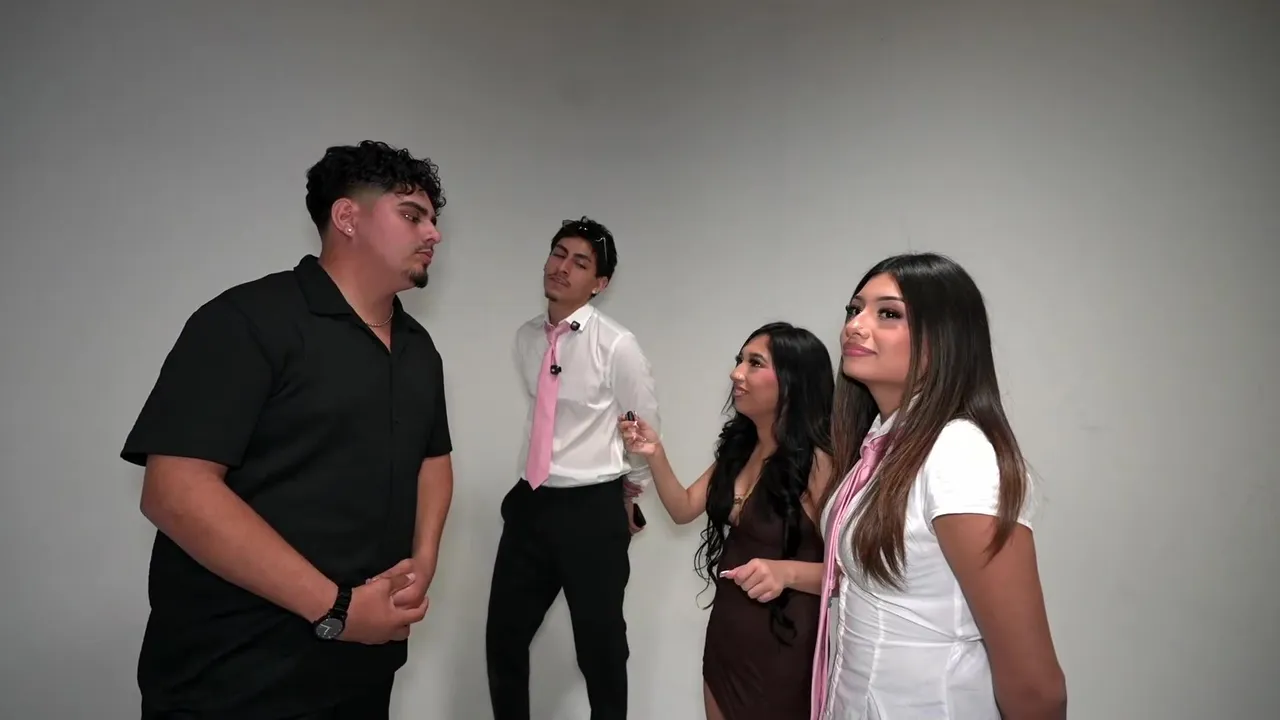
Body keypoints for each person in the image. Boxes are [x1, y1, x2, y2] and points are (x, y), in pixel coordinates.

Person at [120, 140, 454, 720]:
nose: (434, 234)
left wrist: (423, 560)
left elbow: (433, 460)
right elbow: (175, 490)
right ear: (346, 217)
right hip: (233, 676)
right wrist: (337, 608)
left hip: (361, 671)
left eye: (433, 220)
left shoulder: (419, 349)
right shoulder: (248, 320)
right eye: (412, 215)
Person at [811, 252, 1067, 719]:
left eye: (889, 314)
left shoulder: (959, 454)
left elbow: (1034, 684)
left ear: (943, 339)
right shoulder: (880, 449)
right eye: (854, 309)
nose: (855, 326)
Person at [485, 216, 658, 720]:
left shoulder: (617, 345)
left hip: (592, 509)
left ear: (599, 283)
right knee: (503, 639)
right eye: (558, 253)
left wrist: (630, 494)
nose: (562, 267)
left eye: (580, 262)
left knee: (600, 651)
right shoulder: (527, 338)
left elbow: (644, 429)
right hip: (531, 502)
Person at [619, 321, 836, 720]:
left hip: (785, 645)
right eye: (739, 360)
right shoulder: (740, 449)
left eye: (755, 363)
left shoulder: (820, 465)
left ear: (793, 381)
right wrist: (655, 453)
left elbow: (852, 577)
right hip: (727, 635)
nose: (736, 373)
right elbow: (683, 509)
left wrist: (787, 572)